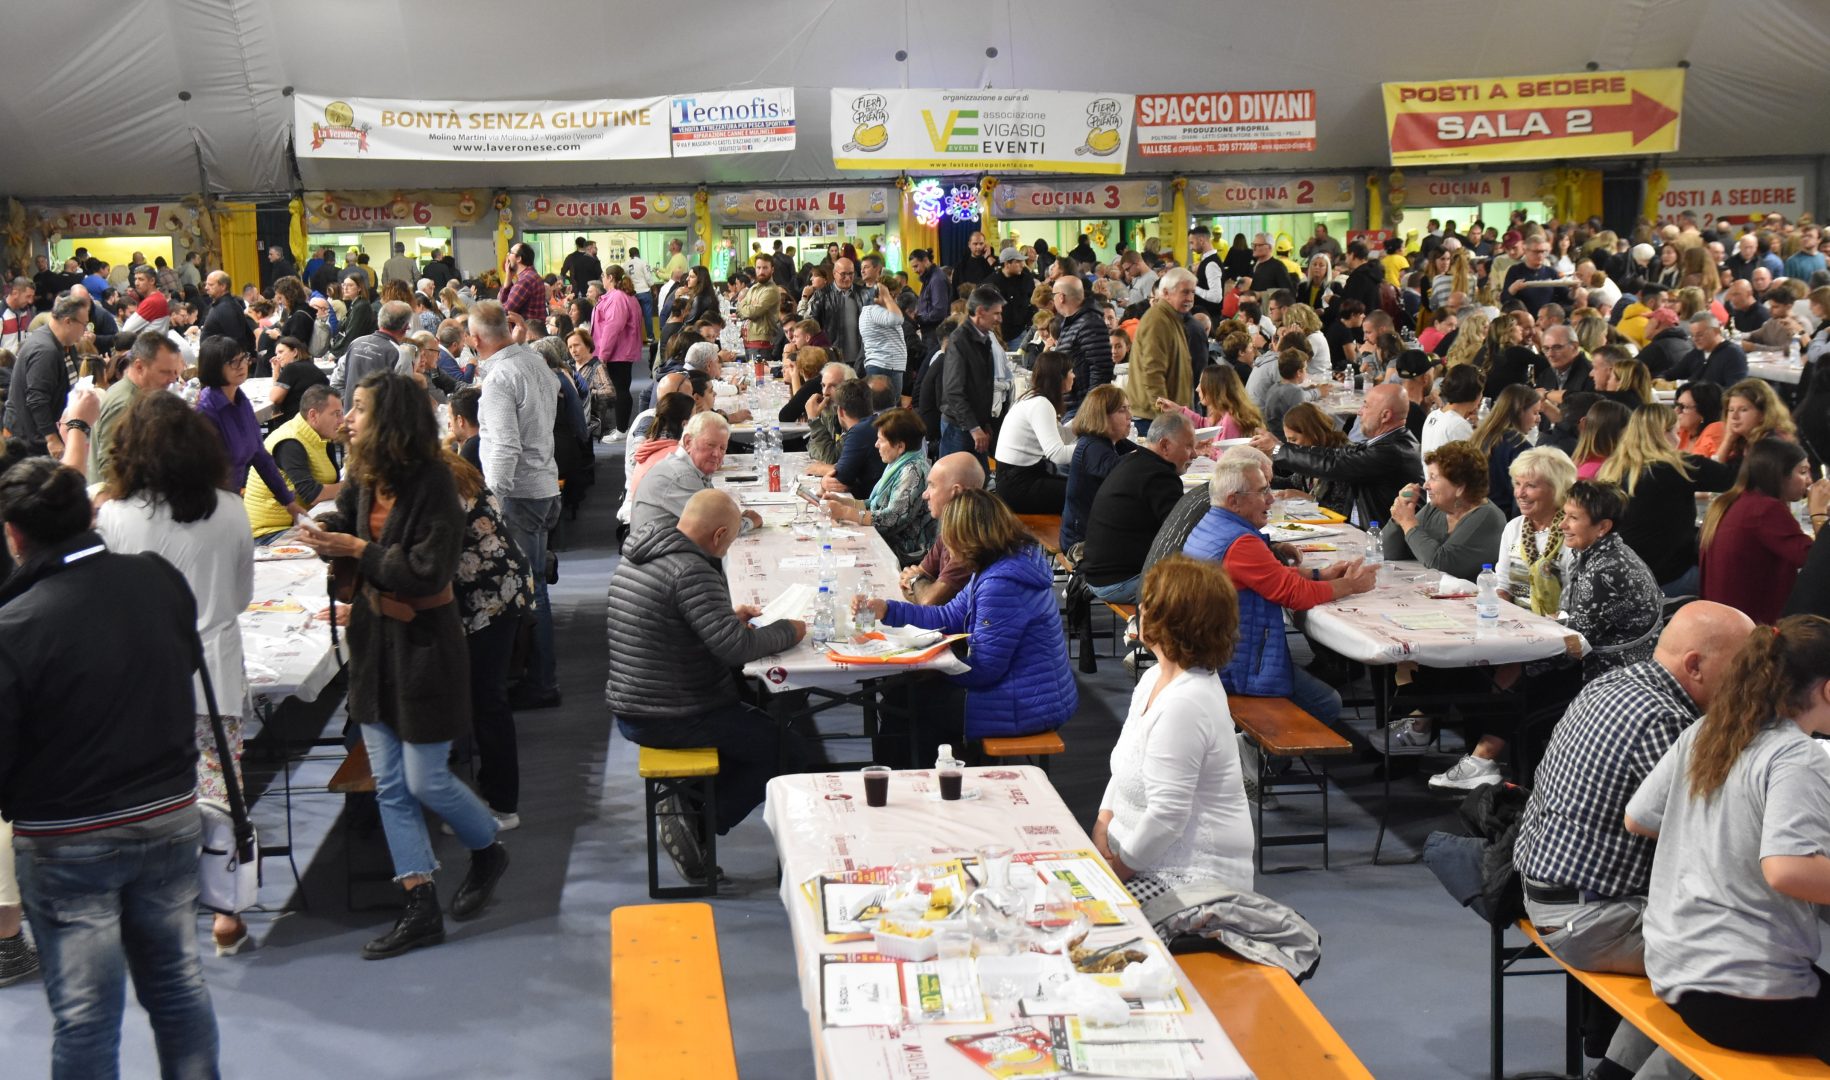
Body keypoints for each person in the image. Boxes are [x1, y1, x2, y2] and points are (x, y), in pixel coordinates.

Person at [0, 458, 223, 1076]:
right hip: (169, 814)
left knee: (85, 1016)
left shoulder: (14, 626)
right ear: (90, 513)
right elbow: (179, 666)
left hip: (67, 839)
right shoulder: (156, 578)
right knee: (179, 989)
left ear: (15, 536)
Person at [297, 373, 510, 959]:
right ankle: (419, 903)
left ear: (387, 418)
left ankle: (488, 847)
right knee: (390, 784)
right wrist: (328, 536)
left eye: (358, 409)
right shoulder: (365, 475)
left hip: (424, 645)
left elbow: (428, 571)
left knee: (425, 778)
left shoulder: (434, 482)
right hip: (374, 642)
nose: (347, 419)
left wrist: (360, 552)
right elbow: (348, 522)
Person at [1512, 601, 1756, 1080]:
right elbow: (1713, 837)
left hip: (1550, 895)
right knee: (1739, 969)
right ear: (1695, 665)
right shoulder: (1669, 722)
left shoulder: (1612, 684)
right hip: (1591, 918)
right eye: (1744, 667)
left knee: (1706, 946)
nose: (1753, 683)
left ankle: (1613, 1074)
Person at [1625, 615, 1830, 1066]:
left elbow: (1638, 818)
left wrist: (1725, 835)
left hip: (1674, 966)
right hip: (1744, 996)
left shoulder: (1708, 730)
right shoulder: (1797, 756)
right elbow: (1788, 869)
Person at [96, 392, 257, 955]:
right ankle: (226, 912)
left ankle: (157, 904)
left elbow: (108, 603)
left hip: (140, 679)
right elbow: (240, 598)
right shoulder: (231, 508)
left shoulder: (114, 517)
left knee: (151, 797)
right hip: (214, 670)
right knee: (220, 792)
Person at [607, 490, 812, 878]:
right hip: (674, 711)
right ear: (719, 536)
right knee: (788, 750)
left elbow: (676, 624)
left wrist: (724, 616)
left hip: (635, 702)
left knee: (753, 733)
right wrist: (790, 630)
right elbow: (736, 649)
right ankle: (695, 817)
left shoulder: (645, 552)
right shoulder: (691, 570)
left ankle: (692, 805)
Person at [857, 489, 1076, 759]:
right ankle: (924, 770)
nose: (947, 548)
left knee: (906, 700)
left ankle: (908, 778)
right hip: (1032, 692)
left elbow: (985, 671)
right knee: (908, 691)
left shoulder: (1000, 584)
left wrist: (934, 666)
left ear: (968, 539)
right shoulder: (1001, 564)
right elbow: (948, 615)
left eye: (950, 539)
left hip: (1026, 704)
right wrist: (888, 609)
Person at [1093, 555, 1254, 899]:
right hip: (1143, 858)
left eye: (1148, 602)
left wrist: (1114, 872)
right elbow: (1124, 764)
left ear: (1170, 620)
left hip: (1190, 877)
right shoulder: (1154, 677)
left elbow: (1167, 817)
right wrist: (1103, 821)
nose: (1140, 608)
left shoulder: (1187, 702)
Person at [1183, 450, 1374, 725]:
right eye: (1262, 492)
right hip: (1236, 661)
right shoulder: (1241, 543)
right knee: (1327, 703)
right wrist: (1350, 585)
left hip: (1210, 649)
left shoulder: (1213, 524)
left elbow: (1266, 575)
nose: (1271, 499)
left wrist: (1321, 574)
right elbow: (1294, 595)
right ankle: (1253, 753)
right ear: (1234, 501)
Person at [470, 301, 562, 711]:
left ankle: (541, 682)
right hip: (543, 483)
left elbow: (504, 445)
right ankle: (536, 675)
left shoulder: (500, 378)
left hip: (519, 493)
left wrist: (488, 502)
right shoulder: (535, 362)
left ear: (474, 340)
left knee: (531, 591)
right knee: (534, 585)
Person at [1598, 404, 1737, 597]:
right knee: (1732, 578)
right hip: (1666, 578)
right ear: (1664, 434)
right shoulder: (1675, 467)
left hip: (1620, 578)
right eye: (1676, 431)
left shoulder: (1612, 468)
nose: (1678, 438)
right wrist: (1732, 437)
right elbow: (1734, 478)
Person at [1250, 382, 1421, 527]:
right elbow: (1333, 455)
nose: (1359, 411)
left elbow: (1335, 465)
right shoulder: (1382, 444)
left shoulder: (1393, 451)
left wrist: (1279, 449)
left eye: (1366, 405)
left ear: (1385, 416)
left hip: (1386, 541)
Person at [1700, 438, 1830, 624]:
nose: (1810, 479)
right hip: (1756, 628)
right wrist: (1818, 513)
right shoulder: (1766, 510)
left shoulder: (1736, 501)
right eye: (1802, 472)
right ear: (1778, 475)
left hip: (1724, 618)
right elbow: (1819, 561)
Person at [1080, 411, 1198, 603]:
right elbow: (1184, 532)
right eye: (1188, 447)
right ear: (1165, 445)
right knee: (1207, 589)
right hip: (1119, 582)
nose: (1194, 454)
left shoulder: (1135, 461)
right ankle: (1146, 628)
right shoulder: (1160, 477)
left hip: (1099, 575)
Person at [194, 337, 307, 524]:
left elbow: (260, 455)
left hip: (231, 502)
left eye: (243, 358)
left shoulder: (241, 400)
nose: (241, 366)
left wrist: (288, 501)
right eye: (232, 362)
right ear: (214, 366)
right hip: (208, 509)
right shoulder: (205, 409)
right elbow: (204, 473)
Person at [1380, 441, 1507, 581]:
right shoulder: (1436, 508)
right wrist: (1399, 516)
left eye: (1433, 477)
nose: (1425, 485)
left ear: (1460, 486)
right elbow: (1387, 551)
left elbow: (1441, 564)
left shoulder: (1487, 517)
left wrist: (1407, 522)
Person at [824, 408, 935, 566]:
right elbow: (876, 504)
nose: (876, 445)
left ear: (900, 446)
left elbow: (892, 520)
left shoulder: (912, 471)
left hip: (906, 554)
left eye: (881, 440)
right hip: (888, 544)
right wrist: (844, 502)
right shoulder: (899, 463)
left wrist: (846, 513)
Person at [244, 385, 344, 542]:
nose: (341, 420)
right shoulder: (289, 442)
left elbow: (332, 481)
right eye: (336, 414)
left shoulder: (321, 436)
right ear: (313, 415)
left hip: (298, 522)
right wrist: (355, 485)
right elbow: (313, 494)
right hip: (269, 533)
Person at [87, 331, 183, 483]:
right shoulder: (125, 403)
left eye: (174, 373)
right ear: (139, 367)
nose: (172, 379)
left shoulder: (136, 394)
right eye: (165, 372)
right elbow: (110, 466)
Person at [2, 292, 87, 454]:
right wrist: (52, 439)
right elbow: (37, 399)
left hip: (45, 431)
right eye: (84, 325)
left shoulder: (65, 344)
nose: (84, 332)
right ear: (68, 322)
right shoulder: (45, 351)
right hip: (30, 440)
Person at [898, 452, 987, 606]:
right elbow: (918, 578)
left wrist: (915, 582)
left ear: (956, 491)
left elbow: (929, 602)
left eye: (932, 485)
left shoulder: (970, 539)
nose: (925, 495)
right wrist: (920, 584)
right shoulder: (950, 531)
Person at [992, 350, 1076, 513]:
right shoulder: (1040, 404)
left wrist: (1084, 421)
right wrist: (1089, 446)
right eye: (1071, 372)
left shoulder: (1034, 399)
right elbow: (1058, 455)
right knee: (1082, 492)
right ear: (1059, 377)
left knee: (1078, 487)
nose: (1074, 376)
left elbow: (1063, 437)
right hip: (1018, 486)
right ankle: (1073, 538)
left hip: (1016, 480)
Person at [1060, 385, 1136, 552]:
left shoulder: (1113, 442)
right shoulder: (1092, 446)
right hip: (1081, 543)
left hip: (1099, 534)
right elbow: (1121, 471)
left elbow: (1143, 456)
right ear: (1103, 415)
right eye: (1122, 410)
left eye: (1129, 409)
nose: (1130, 416)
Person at [939, 286, 1004, 461]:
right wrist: (974, 428)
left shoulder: (984, 337)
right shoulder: (959, 341)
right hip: (959, 428)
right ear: (981, 312)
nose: (1000, 319)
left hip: (974, 425)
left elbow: (983, 384)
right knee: (957, 483)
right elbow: (954, 391)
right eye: (996, 313)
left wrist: (985, 422)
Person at [1124, 268, 1196, 425]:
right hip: (1154, 419)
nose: (1190, 298)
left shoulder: (1170, 318)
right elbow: (1153, 373)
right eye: (1184, 292)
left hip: (1163, 416)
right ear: (1165, 293)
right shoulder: (1158, 320)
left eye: (1192, 292)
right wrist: (1164, 417)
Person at [803, 378, 883, 499]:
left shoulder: (859, 432)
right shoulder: (875, 423)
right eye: (823, 385)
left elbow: (839, 480)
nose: (825, 392)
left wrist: (822, 474)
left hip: (872, 505)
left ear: (840, 411)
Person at [1471, 384, 1544, 518]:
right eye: (1535, 412)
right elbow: (1522, 496)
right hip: (1503, 520)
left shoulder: (1480, 437)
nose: (1538, 418)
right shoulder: (1520, 447)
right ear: (1520, 411)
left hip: (1473, 515)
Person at [589, 265, 643, 440]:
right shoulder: (622, 296)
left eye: (603, 276)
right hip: (620, 351)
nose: (602, 279)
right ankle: (621, 428)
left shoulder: (617, 297)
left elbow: (612, 328)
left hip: (617, 352)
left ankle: (621, 429)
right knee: (621, 388)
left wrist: (603, 355)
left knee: (620, 390)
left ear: (610, 277)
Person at [1051, 275, 1112, 410]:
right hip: (1073, 404)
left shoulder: (1089, 322)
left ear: (1061, 297)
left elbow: (1101, 367)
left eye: (1053, 295)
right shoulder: (1074, 321)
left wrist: (1090, 407)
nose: (1053, 299)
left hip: (1081, 407)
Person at [1714, 377, 1796, 469]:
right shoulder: (1743, 441)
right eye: (1731, 410)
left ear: (1763, 413)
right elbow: (1714, 471)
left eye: (1743, 410)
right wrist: (1728, 440)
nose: (1734, 417)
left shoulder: (1772, 445)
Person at [1668, 313, 1748, 387]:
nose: (1695, 339)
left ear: (1716, 331)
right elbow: (1672, 374)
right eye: (1692, 335)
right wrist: (1660, 379)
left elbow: (1733, 390)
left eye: (1700, 335)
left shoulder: (1733, 354)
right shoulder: (1696, 353)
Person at [1423, 364, 1484, 454]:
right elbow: (1473, 463)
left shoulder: (1433, 415)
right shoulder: (1459, 425)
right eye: (1481, 392)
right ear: (1476, 394)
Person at [498, 243, 548, 338]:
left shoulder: (525, 280)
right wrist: (509, 277)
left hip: (528, 335)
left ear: (519, 258)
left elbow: (505, 311)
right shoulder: (532, 275)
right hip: (535, 332)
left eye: (510, 253)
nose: (507, 256)